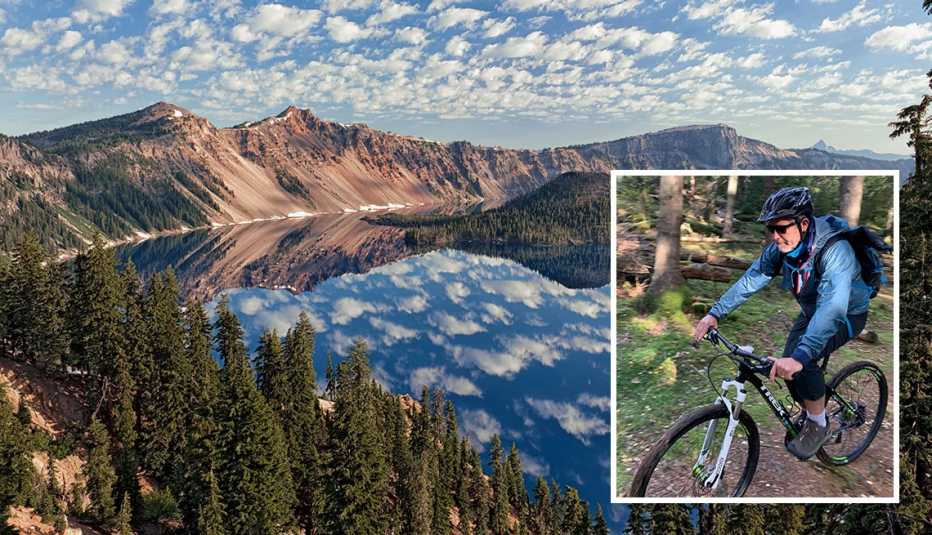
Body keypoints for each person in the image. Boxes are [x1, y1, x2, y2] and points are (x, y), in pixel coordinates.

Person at [692, 186, 871, 460]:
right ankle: (814, 403)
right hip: (813, 311)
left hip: (847, 314)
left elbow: (833, 306)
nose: (775, 235)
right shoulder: (783, 248)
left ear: (804, 223)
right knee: (789, 362)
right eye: (770, 229)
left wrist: (801, 356)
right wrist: (714, 313)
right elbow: (751, 280)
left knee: (803, 359)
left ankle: (819, 424)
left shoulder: (836, 251)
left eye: (781, 228)